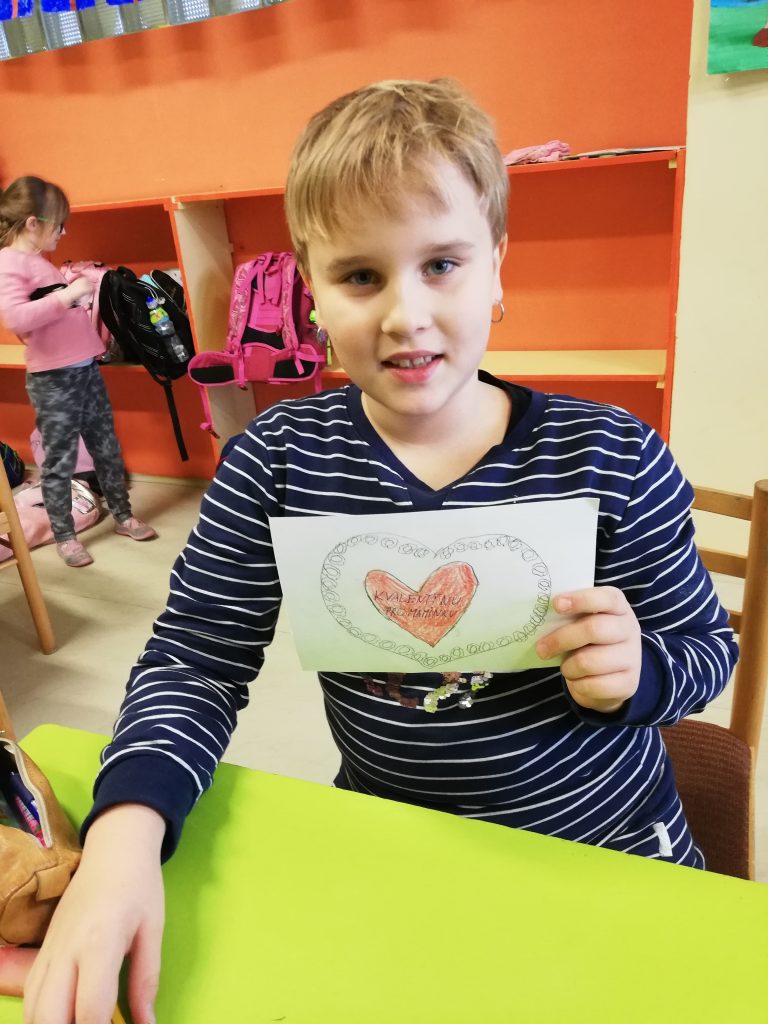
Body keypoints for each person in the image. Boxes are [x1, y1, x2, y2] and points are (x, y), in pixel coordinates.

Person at [22, 80, 737, 1023]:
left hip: (605, 847)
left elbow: (707, 651)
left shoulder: (609, 453)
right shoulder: (276, 460)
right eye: (360, 276)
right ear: (312, 291)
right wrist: (123, 838)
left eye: (442, 263)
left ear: (497, 268)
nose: (405, 314)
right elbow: (196, 659)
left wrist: (641, 670)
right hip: (389, 840)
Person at [0, 176, 157, 568]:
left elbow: (46, 312)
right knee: (60, 460)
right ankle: (65, 535)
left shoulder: (39, 262)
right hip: (53, 379)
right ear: (33, 223)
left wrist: (71, 294)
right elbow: (15, 317)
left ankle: (123, 515)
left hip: (84, 369)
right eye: (59, 224)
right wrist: (68, 295)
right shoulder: (9, 262)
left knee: (106, 448)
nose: (64, 232)